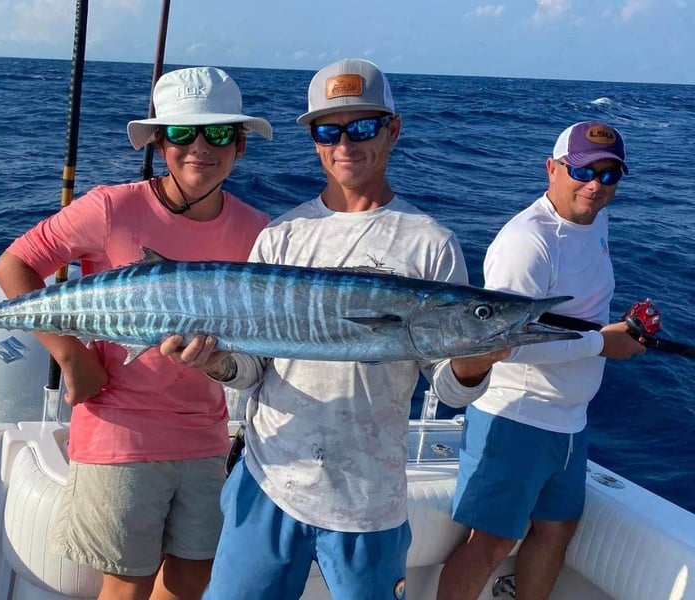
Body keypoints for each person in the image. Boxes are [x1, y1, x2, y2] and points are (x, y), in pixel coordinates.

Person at [160, 58, 507, 600]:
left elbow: (445, 385)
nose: (345, 143)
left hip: (368, 497)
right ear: (315, 140)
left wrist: (477, 358)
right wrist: (215, 362)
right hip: (268, 479)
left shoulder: (429, 243)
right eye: (329, 130)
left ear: (393, 129)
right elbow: (252, 369)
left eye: (363, 127)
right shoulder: (282, 236)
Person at [0, 66, 272, 600]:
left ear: (239, 145)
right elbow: (16, 266)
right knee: (128, 583)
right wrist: (70, 355)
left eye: (216, 133)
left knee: (193, 579)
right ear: (160, 142)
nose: (199, 147)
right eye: (180, 133)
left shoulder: (258, 229)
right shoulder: (110, 207)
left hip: (205, 433)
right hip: (119, 428)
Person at [437, 121, 647, 600]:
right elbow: (503, 343)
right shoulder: (526, 242)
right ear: (552, 169)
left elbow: (583, 315)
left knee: (558, 527)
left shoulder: (594, 219)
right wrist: (602, 344)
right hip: (517, 417)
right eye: (582, 171)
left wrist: (619, 333)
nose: (594, 185)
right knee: (490, 542)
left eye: (609, 175)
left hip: (570, 421)